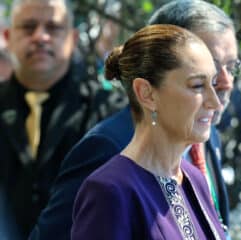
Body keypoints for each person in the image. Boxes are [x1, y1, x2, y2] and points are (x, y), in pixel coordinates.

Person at [30, 0, 239, 239]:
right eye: (198, 85)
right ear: (146, 92)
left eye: (231, 68)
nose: (224, 86)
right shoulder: (107, 171)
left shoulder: (194, 173)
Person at [71, 23, 225, 239]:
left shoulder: (194, 178)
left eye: (213, 83)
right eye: (197, 85)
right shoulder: (110, 191)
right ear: (146, 94)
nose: (214, 102)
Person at [0, 0, 125, 238]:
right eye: (28, 27)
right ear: (7, 36)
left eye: (53, 27)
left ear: (73, 38)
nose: (40, 37)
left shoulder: (108, 113)